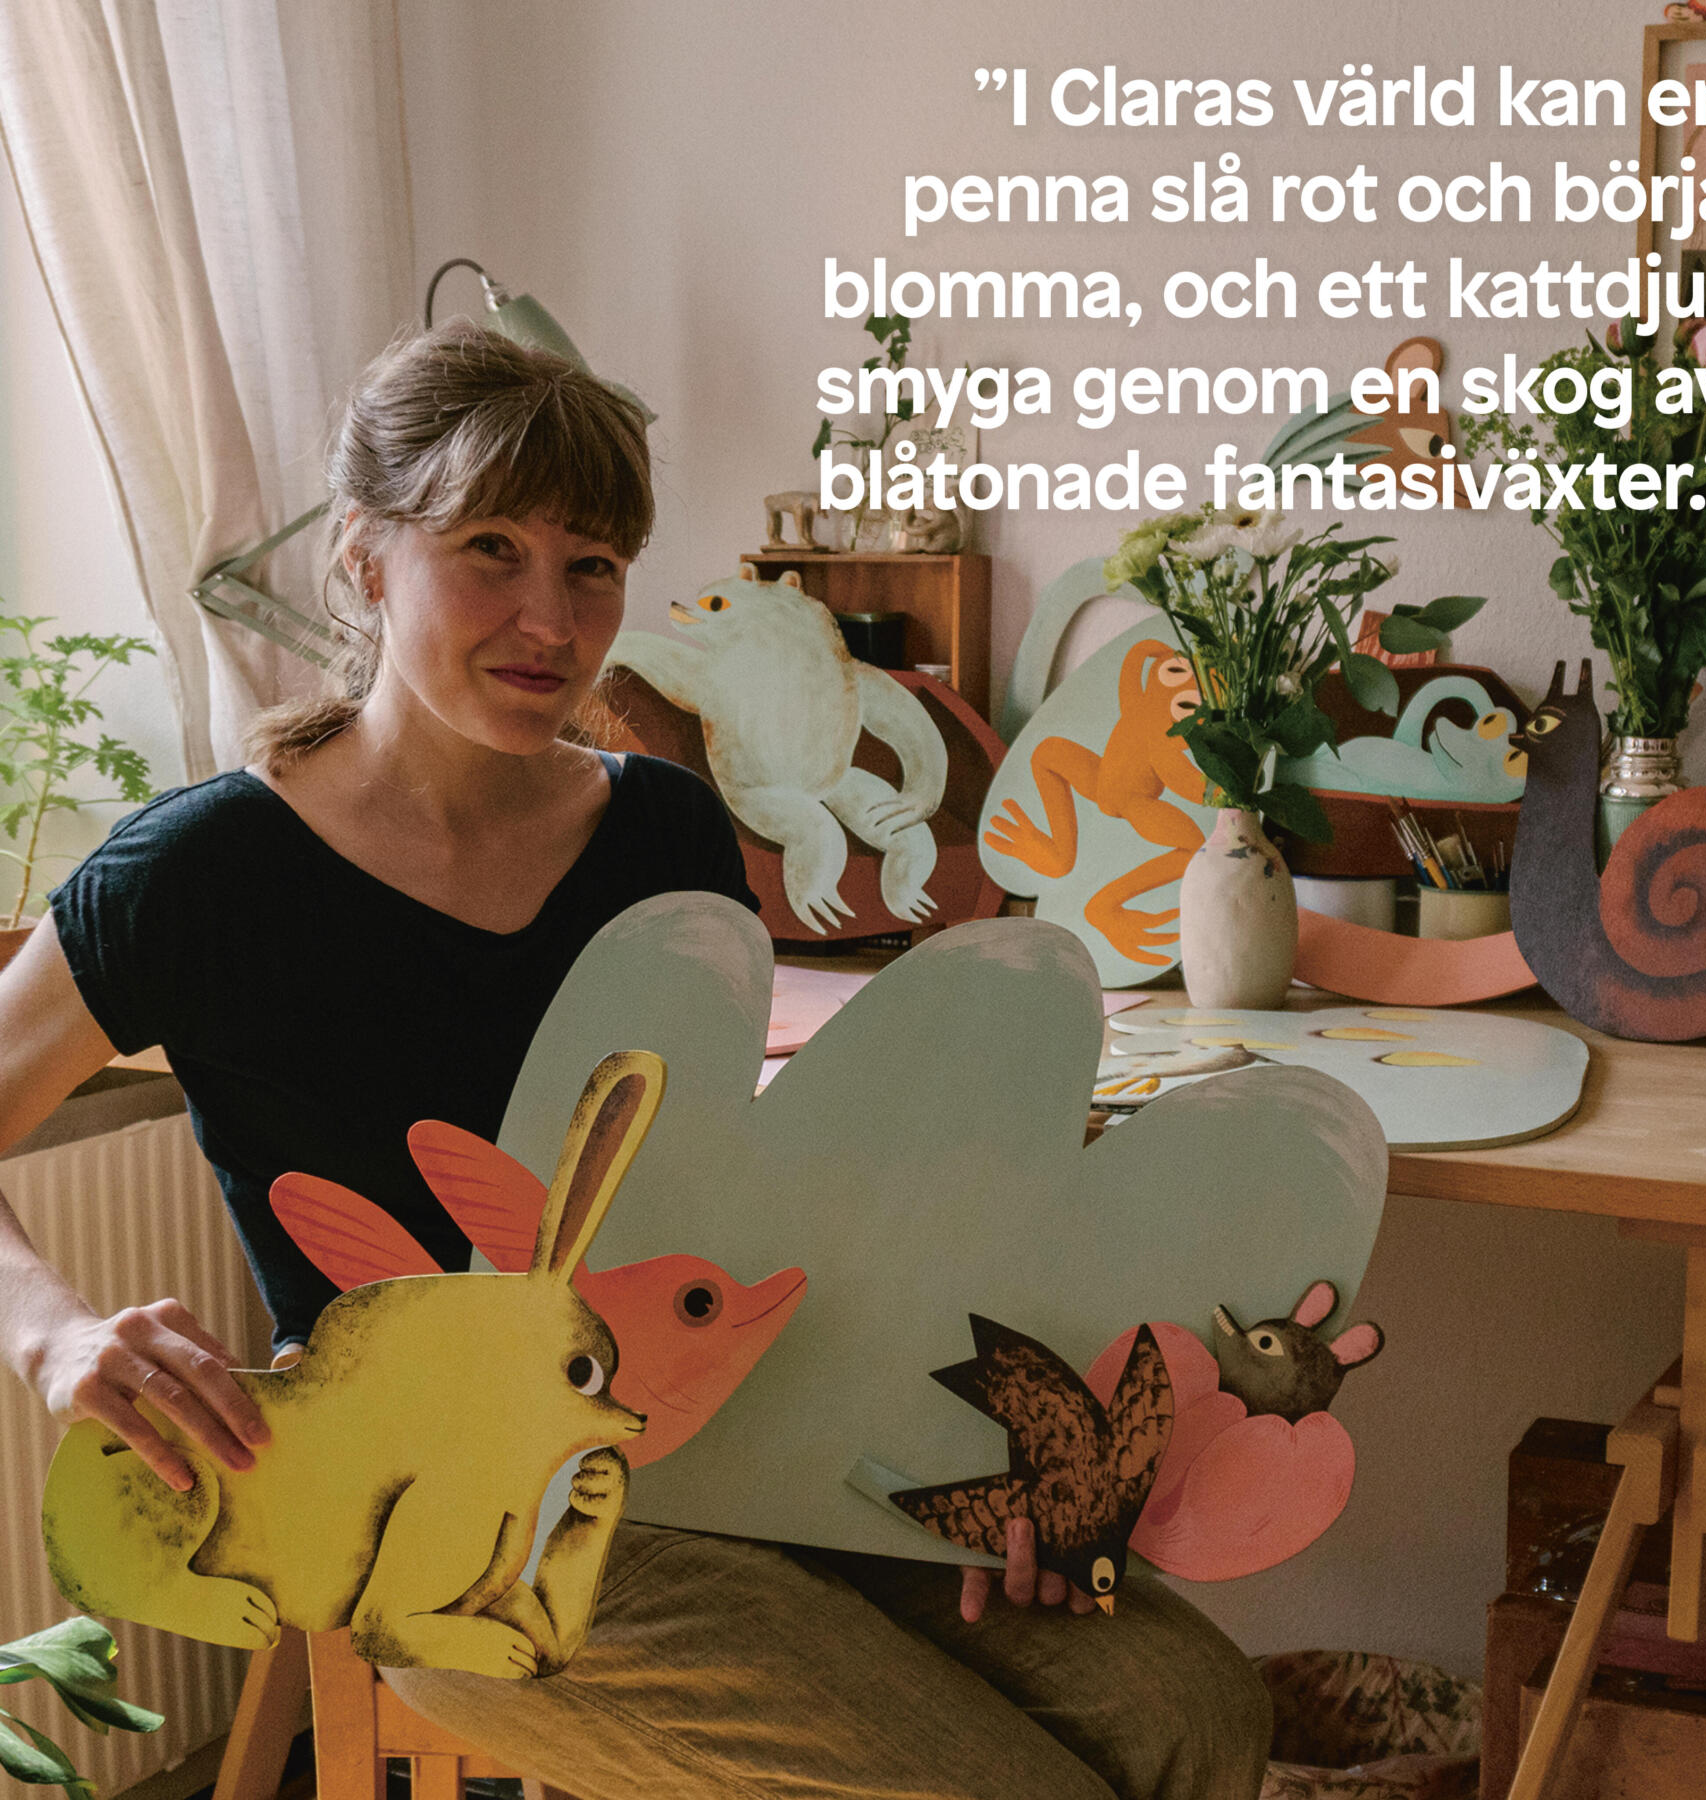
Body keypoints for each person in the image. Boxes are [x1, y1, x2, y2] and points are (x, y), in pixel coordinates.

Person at [0, 322, 1271, 1800]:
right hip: (458, 1526)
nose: (550, 618)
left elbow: (749, 1189)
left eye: (592, 564)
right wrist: (56, 1339)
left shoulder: (664, 830)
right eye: (490, 548)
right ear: (364, 556)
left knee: (1191, 1706)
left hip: (752, 1443)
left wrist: (956, 1457)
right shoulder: (203, 869)